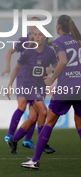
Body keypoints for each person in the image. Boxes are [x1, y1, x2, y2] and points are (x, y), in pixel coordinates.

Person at [21, 15, 81, 170]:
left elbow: (63, 61)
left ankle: (35, 161)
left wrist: (53, 77)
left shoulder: (58, 42)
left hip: (66, 87)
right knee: (79, 123)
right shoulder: (78, 41)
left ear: (58, 27)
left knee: (49, 122)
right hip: (79, 87)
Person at [2, 17, 53, 149]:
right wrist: (7, 67)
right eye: (32, 23)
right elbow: (9, 51)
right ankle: (10, 135)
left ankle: (26, 139)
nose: (34, 26)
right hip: (23, 77)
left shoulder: (44, 40)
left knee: (34, 113)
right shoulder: (24, 40)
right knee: (23, 104)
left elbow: (53, 47)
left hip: (38, 79)